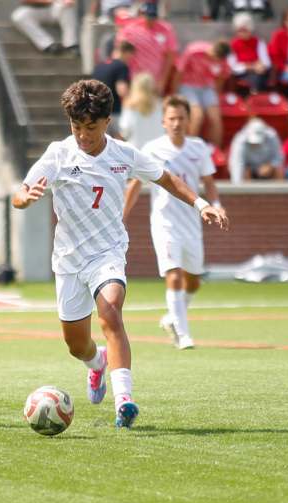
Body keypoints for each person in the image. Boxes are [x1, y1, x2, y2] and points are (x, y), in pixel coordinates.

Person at [12, 79, 228, 428]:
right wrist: (28, 197)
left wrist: (201, 203)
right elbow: (19, 195)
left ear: (107, 122)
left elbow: (167, 179)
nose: (83, 134)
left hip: (108, 252)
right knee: (75, 344)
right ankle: (96, 363)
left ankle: (124, 401)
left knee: (110, 312)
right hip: (68, 260)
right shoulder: (59, 153)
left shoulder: (123, 154)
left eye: (91, 127)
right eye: (77, 127)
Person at [124, 95, 224, 349]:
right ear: (163, 122)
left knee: (194, 280)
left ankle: (172, 317)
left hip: (191, 223)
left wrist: (217, 206)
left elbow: (209, 184)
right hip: (164, 224)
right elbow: (135, 185)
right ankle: (183, 333)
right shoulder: (152, 150)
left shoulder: (199, 148)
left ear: (189, 120)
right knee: (174, 275)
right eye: (172, 119)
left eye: (181, 118)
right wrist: (120, 216)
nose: (177, 123)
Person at [174, 39, 231, 147]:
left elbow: (221, 77)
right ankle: (189, 148)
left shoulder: (223, 61)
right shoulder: (193, 51)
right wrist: (174, 92)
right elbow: (179, 72)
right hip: (188, 85)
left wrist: (216, 94)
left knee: (215, 118)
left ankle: (214, 150)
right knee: (197, 116)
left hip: (207, 87)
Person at [115, 1, 178, 95]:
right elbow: (120, 52)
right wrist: (123, 77)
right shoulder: (130, 29)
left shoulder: (166, 29)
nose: (150, 20)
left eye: (153, 17)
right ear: (142, 14)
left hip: (155, 80)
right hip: (135, 79)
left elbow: (170, 56)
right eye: (148, 16)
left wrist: (162, 81)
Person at [91, 40, 135, 132]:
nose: (130, 59)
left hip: (97, 113)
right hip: (114, 113)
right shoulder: (121, 66)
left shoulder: (99, 67)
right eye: (131, 56)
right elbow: (122, 90)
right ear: (126, 52)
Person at [11, 0, 79, 56]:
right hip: (33, 9)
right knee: (18, 16)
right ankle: (48, 45)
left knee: (67, 7)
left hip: (55, 8)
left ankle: (71, 44)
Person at [228, 118, 285, 183]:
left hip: (268, 168)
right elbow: (237, 164)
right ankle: (247, 192)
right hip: (249, 169)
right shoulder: (239, 140)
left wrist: (271, 166)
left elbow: (279, 157)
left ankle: (279, 192)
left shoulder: (272, 136)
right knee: (246, 172)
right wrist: (237, 186)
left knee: (278, 170)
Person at [228, 12, 272, 93]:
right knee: (256, 78)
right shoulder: (233, 44)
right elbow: (232, 66)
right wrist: (250, 67)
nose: (242, 33)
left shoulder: (259, 42)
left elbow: (266, 62)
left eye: (245, 30)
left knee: (260, 75)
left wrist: (262, 66)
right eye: (239, 30)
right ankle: (255, 96)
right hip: (242, 73)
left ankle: (256, 96)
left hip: (259, 72)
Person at [119, 72, 163, 149]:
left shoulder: (130, 105)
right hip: (158, 151)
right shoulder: (160, 104)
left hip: (136, 152)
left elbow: (124, 131)